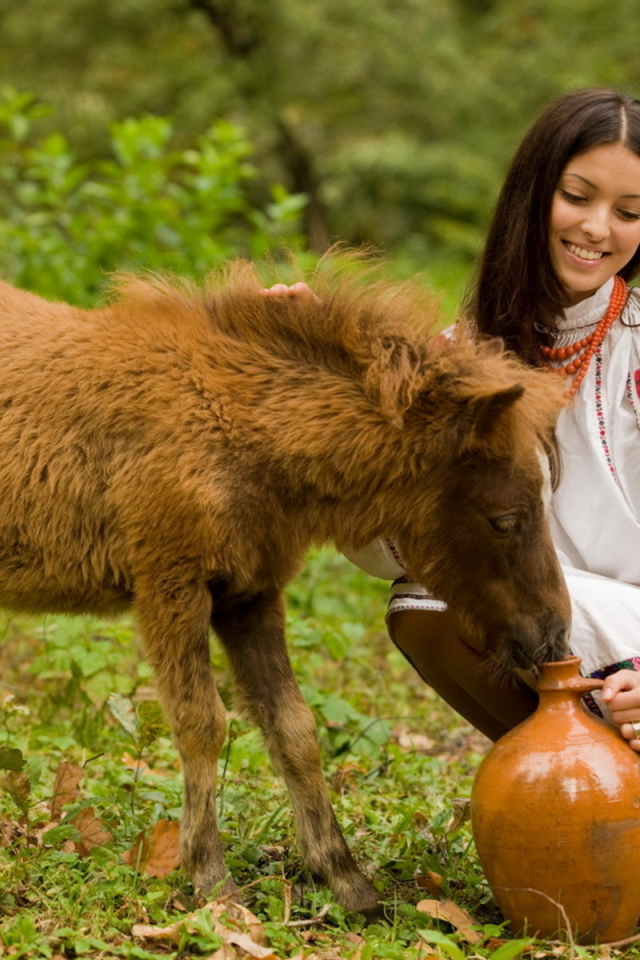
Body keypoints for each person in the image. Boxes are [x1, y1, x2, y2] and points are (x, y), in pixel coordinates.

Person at [265, 88, 640, 752]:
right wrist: (327, 387)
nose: (597, 228)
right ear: (532, 193)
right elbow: (391, 552)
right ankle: (589, 795)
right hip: (553, 624)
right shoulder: (456, 357)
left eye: (630, 211)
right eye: (577, 197)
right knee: (429, 606)